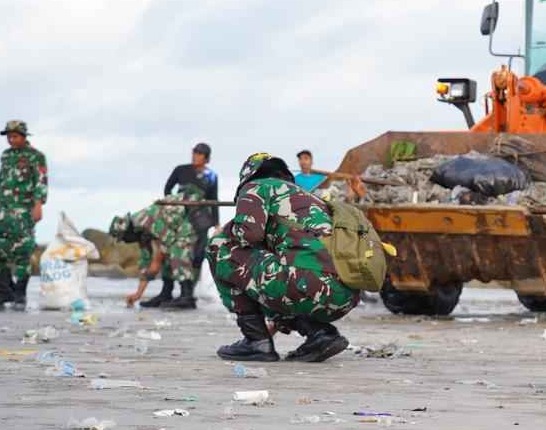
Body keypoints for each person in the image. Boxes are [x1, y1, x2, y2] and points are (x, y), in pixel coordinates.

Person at [207, 153, 360, 363]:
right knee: (279, 267)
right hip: (344, 295)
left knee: (219, 246)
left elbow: (248, 235)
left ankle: (255, 341)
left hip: (308, 286)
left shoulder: (256, 186)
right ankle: (319, 333)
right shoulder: (307, 197)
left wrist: (226, 230)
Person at [0, 120, 48, 310]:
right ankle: (8, 289)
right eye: (8, 137)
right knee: (1, 249)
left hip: (24, 209)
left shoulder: (36, 156)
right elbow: (0, 180)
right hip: (2, 209)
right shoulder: (5, 155)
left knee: (23, 251)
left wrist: (38, 205)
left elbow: (41, 181)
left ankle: (20, 293)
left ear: (23, 136)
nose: (11, 140)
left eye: (14, 136)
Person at [109, 201, 199, 309]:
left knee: (176, 251)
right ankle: (166, 294)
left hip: (186, 226)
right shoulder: (139, 232)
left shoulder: (144, 220)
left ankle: (187, 296)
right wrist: (138, 294)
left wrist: (156, 262)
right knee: (167, 256)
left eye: (123, 237)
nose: (125, 241)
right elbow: (145, 262)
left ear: (126, 230)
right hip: (174, 234)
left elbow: (168, 241)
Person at [163, 142, 219, 294]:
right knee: (172, 250)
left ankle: (189, 293)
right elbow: (167, 189)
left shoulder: (211, 176)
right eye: (194, 152)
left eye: (199, 154)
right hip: (180, 217)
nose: (195, 156)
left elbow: (214, 201)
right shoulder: (181, 170)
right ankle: (166, 291)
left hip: (200, 220)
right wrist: (172, 205)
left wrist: (217, 224)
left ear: (206, 158)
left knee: (198, 255)